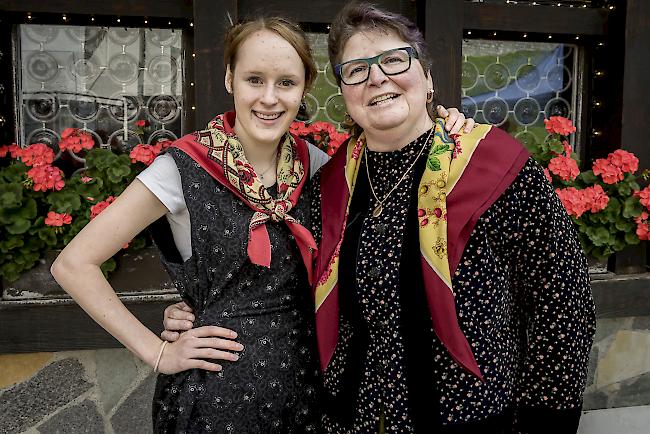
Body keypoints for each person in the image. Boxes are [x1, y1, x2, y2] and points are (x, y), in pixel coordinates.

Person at [52, 14, 472, 434]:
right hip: (218, 401)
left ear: (304, 88)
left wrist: (447, 128)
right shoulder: (180, 169)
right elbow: (73, 265)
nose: (269, 98)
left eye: (286, 83)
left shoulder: (321, 167)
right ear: (230, 78)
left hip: (310, 395)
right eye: (255, 79)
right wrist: (156, 352)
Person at [311, 3, 595, 433]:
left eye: (393, 59)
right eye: (356, 69)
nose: (376, 77)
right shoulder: (332, 182)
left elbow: (563, 304)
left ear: (427, 78)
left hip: (469, 418)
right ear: (345, 93)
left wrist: (544, 422)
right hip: (355, 419)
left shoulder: (496, 167)